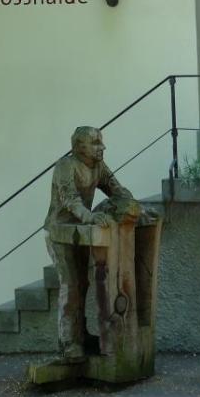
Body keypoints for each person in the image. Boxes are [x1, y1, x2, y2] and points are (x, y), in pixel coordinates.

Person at [43, 126, 137, 363]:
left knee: (83, 284)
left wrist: (132, 206)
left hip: (82, 232)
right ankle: (68, 342)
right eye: (95, 143)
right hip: (60, 232)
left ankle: (80, 335)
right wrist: (90, 216)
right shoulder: (65, 166)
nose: (102, 147)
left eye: (100, 142)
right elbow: (70, 200)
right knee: (70, 285)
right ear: (79, 147)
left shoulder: (98, 166)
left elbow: (116, 189)